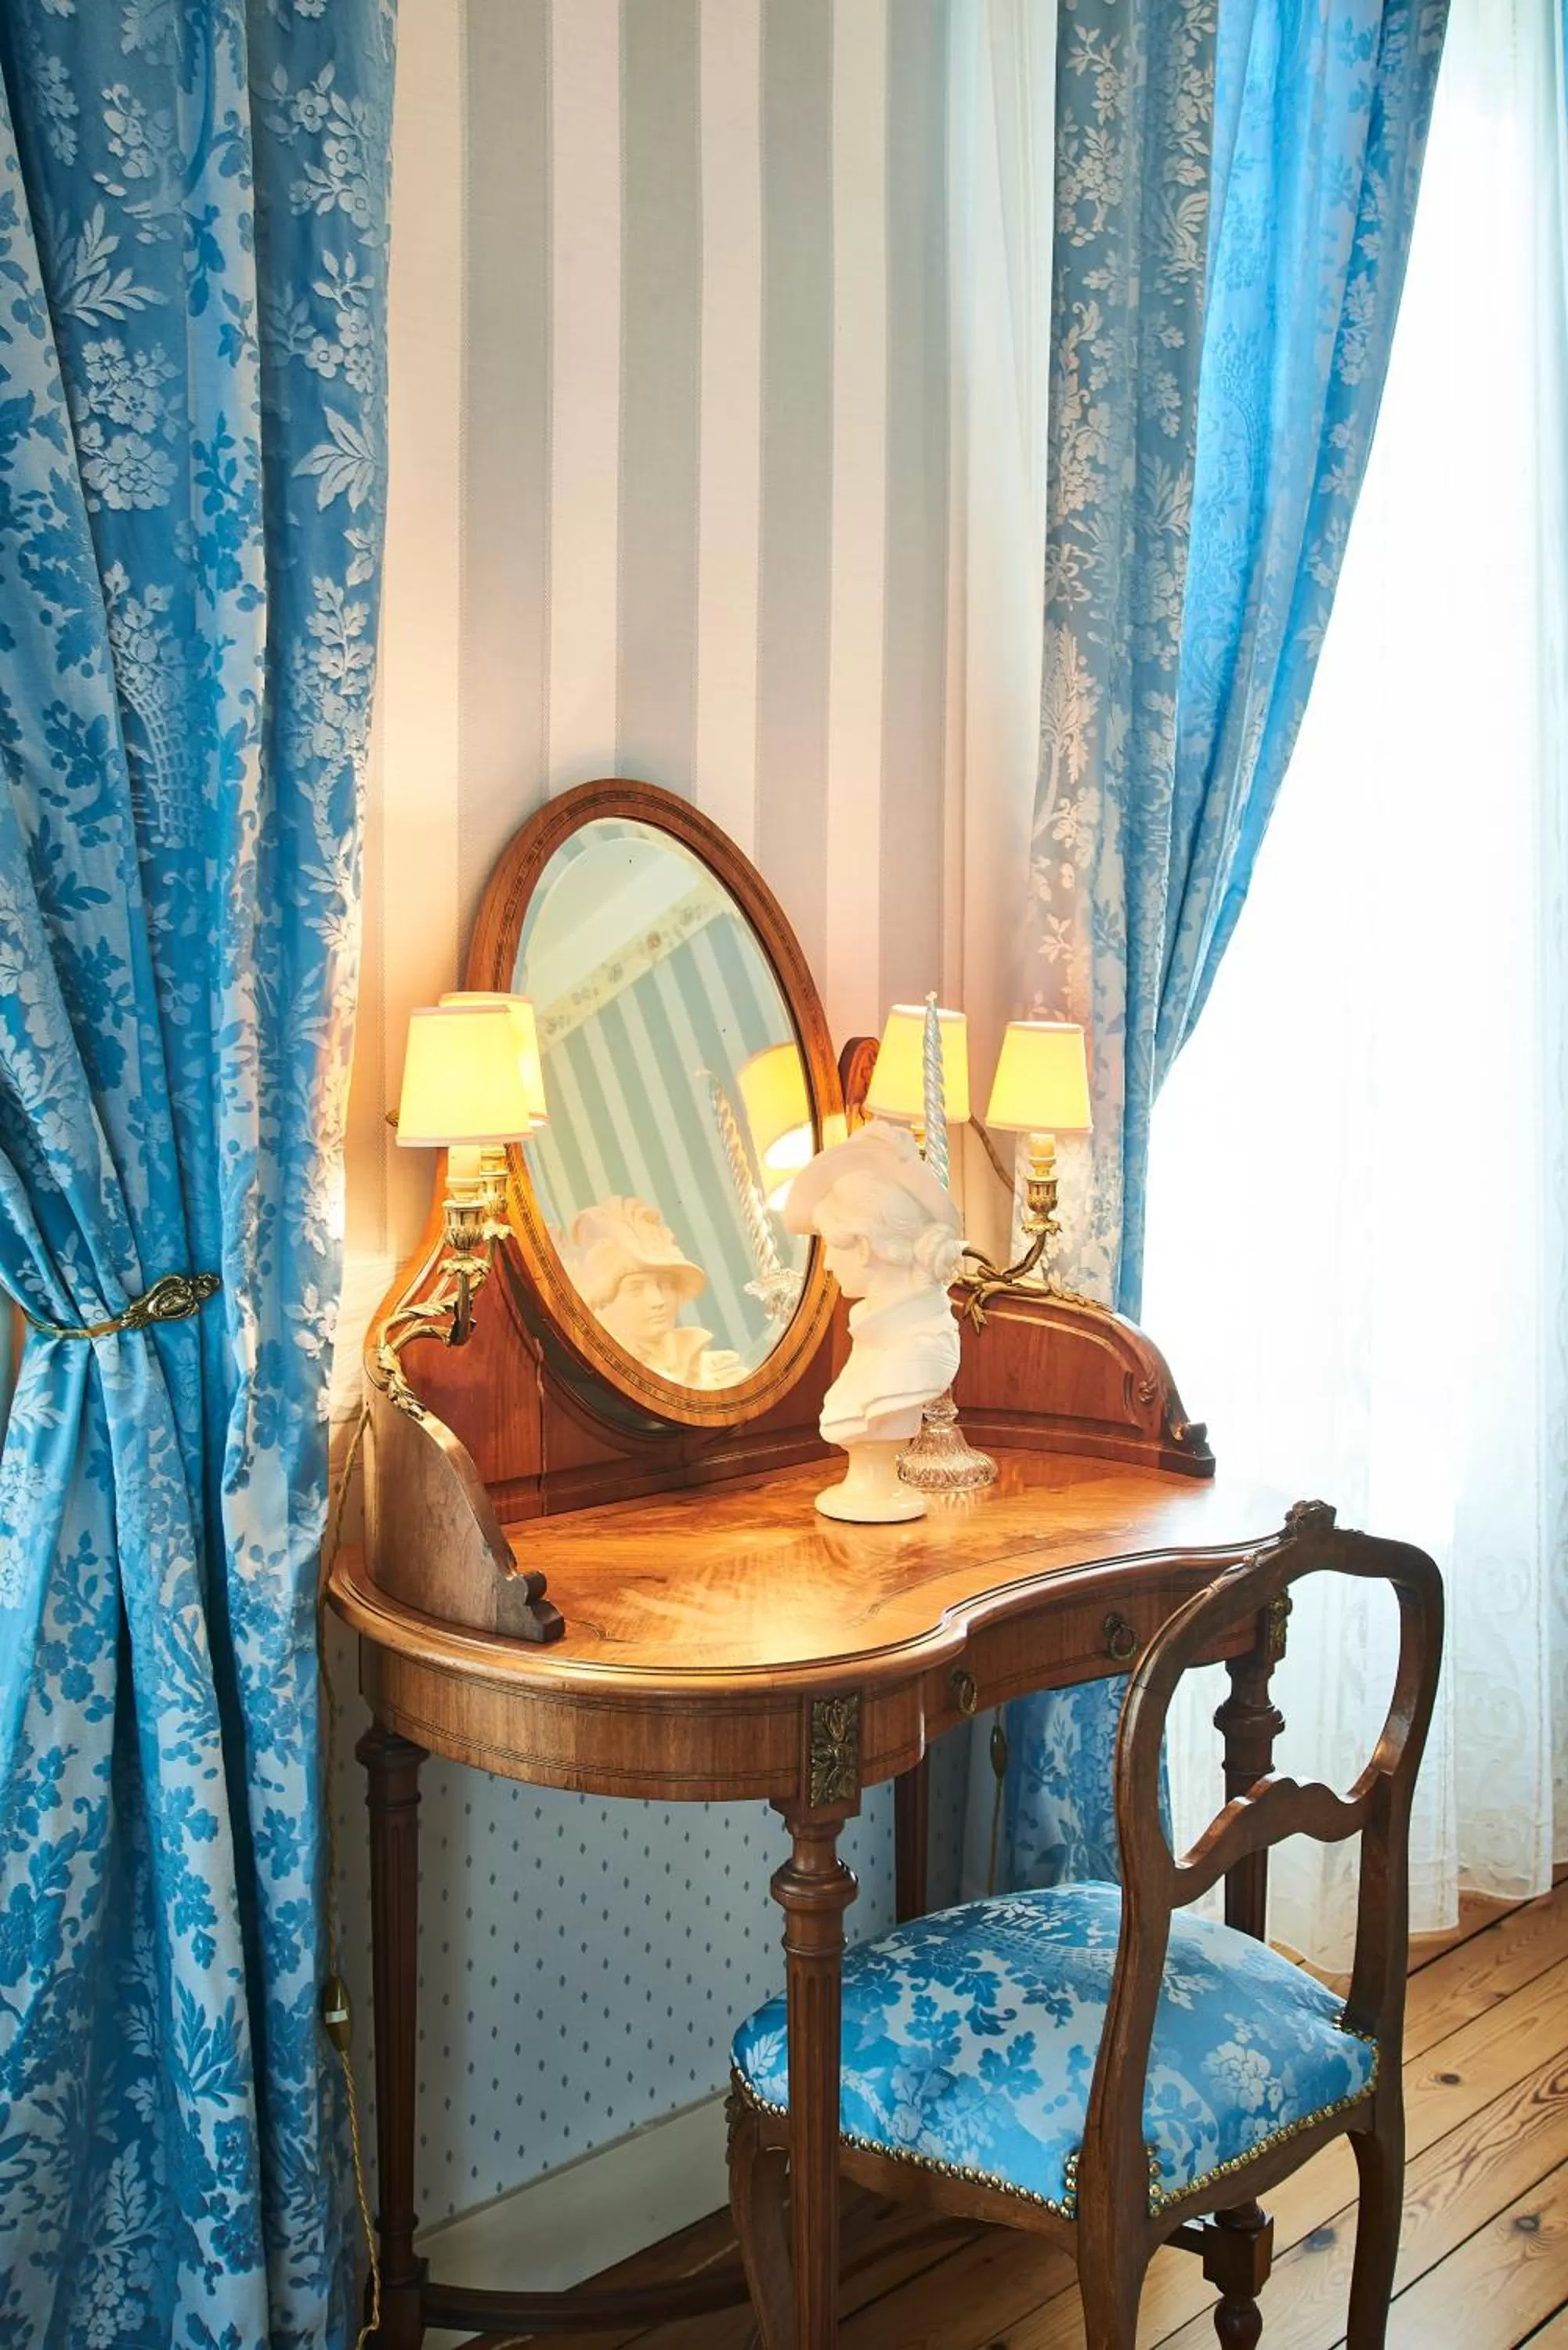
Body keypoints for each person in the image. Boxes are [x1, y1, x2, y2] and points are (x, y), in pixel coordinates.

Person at [784, 1121, 963, 1450]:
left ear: (865, 1247)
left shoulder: (918, 1351)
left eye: (832, 1247)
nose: (828, 1264)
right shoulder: (878, 1337)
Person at [565, 1196, 742, 1388]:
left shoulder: (715, 1371)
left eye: (665, 1285)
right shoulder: (599, 1378)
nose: (658, 1301)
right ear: (605, 1300)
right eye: (635, 1288)